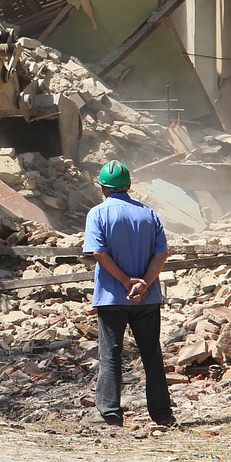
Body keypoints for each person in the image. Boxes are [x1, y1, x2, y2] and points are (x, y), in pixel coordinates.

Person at [82, 160, 174, 428]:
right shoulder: (149, 214)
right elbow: (162, 253)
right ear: (129, 186)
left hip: (112, 298)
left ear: (102, 188)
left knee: (110, 354)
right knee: (151, 354)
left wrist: (125, 282)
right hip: (147, 298)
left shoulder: (97, 214)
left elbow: (98, 253)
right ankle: (162, 414)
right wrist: (143, 283)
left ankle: (110, 413)